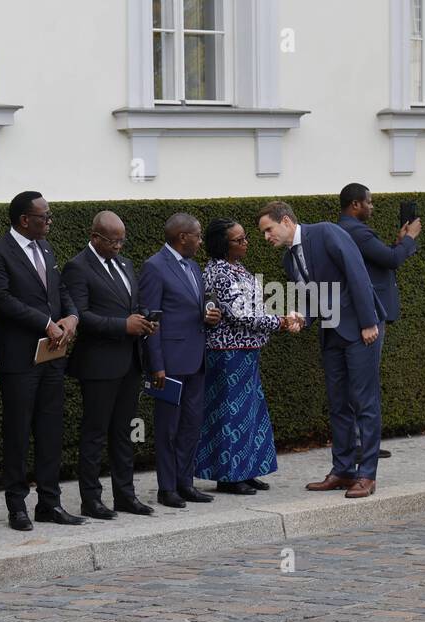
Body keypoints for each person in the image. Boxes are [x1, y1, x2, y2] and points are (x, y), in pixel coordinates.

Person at [257, 200, 383, 498]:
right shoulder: (289, 260)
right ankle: (342, 471)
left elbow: (356, 272)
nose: (266, 237)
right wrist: (303, 317)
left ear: (286, 221)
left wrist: (368, 321)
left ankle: (367, 475)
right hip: (331, 334)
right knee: (338, 403)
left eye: (268, 230)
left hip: (360, 329)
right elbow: (313, 298)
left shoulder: (326, 232)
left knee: (365, 402)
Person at [0, 190, 85, 531]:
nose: (50, 221)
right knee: (17, 433)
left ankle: (50, 503)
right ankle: (17, 506)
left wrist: (71, 317)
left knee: (50, 430)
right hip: (19, 358)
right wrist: (45, 323)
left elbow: (59, 291)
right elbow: (2, 299)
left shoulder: (46, 248)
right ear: (24, 219)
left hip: (52, 357)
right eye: (45, 216)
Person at [196, 219, 302, 494]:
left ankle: (247, 469)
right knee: (231, 414)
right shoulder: (219, 273)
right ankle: (229, 476)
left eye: (245, 238)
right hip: (227, 353)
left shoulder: (238, 268)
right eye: (239, 239)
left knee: (250, 411)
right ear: (223, 245)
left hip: (246, 351)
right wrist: (279, 322)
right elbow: (242, 315)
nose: (246, 243)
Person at [61, 211, 156, 520]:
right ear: (95, 237)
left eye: (122, 240)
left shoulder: (125, 264)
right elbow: (81, 316)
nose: (118, 246)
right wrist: (123, 326)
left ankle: (125, 496)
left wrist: (144, 321)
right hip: (99, 365)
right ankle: (91, 499)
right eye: (113, 241)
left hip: (129, 362)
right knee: (94, 434)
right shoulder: (78, 267)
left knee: (125, 432)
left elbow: (132, 306)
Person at [139, 213, 223, 509]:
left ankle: (185, 483)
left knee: (191, 424)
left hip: (196, 359)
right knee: (168, 429)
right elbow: (152, 321)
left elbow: (196, 309)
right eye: (198, 236)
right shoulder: (154, 267)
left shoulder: (193, 266)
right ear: (182, 237)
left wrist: (211, 316)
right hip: (169, 364)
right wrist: (156, 364)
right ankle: (167, 488)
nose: (201, 241)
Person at [339, 182, 421, 462]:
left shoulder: (349, 231)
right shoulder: (357, 232)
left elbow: (382, 258)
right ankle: (362, 445)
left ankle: (358, 443)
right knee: (364, 384)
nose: (372, 207)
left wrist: (400, 244)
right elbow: (391, 260)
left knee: (358, 383)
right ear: (355, 205)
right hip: (369, 316)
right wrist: (409, 238)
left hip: (361, 315)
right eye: (369, 202)